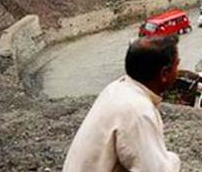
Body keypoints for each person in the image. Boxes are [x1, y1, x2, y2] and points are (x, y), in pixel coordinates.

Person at [63, 36, 181, 172]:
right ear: (164, 73)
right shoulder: (137, 110)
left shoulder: (116, 88)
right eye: (177, 65)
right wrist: (173, 159)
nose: (178, 71)